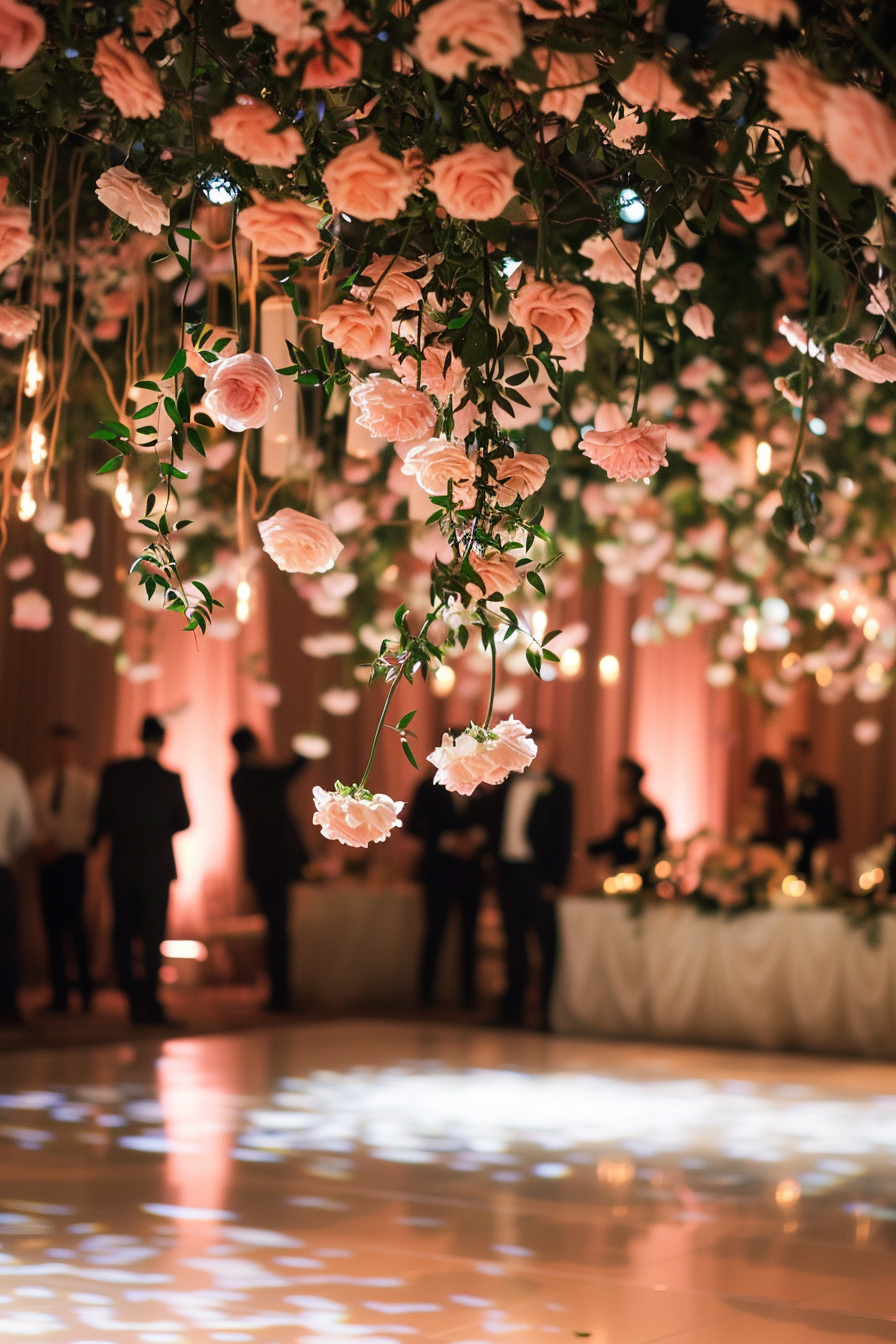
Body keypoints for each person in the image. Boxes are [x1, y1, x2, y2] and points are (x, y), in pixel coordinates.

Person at [93, 715, 190, 1024]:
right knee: (152, 936)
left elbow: (101, 818)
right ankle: (150, 1001)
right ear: (162, 741)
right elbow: (184, 820)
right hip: (157, 869)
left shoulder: (115, 773)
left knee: (122, 933)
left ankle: (133, 1000)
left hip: (122, 866)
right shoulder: (169, 778)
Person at [489, 737, 573, 1030]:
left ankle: (548, 1015)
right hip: (508, 872)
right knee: (512, 944)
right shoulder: (505, 781)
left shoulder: (561, 789)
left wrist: (555, 880)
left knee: (546, 946)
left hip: (539, 875)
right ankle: (511, 1012)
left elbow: (564, 838)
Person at [230, 726, 308, 1012]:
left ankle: (279, 993)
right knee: (279, 932)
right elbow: (289, 771)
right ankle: (280, 995)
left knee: (275, 930)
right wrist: (307, 745)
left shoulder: (238, 779)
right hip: (275, 864)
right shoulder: (257, 778)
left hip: (261, 864)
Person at [406, 771, 488, 1011]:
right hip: (438, 872)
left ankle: (469, 996)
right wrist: (448, 841)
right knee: (434, 931)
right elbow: (414, 825)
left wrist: (475, 838)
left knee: (469, 935)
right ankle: (425, 994)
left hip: (471, 873)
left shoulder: (481, 785)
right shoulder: (429, 786)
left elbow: (492, 820)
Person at [31, 725, 98, 1014]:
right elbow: (29, 822)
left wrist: (64, 842)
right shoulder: (41, 785)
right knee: (51, 928)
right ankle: (59, 994)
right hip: (47, 862)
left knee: (75, 925)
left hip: (73, 859)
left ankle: (85, 992)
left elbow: (92, 825)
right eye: (55, 746)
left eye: (65, 746)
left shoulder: (87, 784)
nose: (60, 752)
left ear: (74, 748)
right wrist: (42, 843)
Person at [0, 751, 33, 1024]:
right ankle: (7, 1005)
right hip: (1, 867)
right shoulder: (8, 772)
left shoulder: (10, 772)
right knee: (5, 941)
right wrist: (7, 852)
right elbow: (23, 828)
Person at [587, 757, 666, 869]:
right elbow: (619, 840)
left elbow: (645, 848)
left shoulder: (649, 813)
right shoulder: (627, 809)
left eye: (622, 778)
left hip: (638, 877)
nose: (617, 782)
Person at [785, 735, 839, 878]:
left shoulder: (823, 788)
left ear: (806, 755)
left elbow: (831, 828)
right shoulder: (780, 786)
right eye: (789, 754)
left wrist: (808, 824)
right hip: (781, 852)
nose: (792, 758)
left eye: (795, 754)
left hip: (808, 855)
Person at [744, 756, 789, 849]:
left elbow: (751, 828)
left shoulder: (758, 796)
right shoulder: (780, 799)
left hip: (758, 848)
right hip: (777, 849)